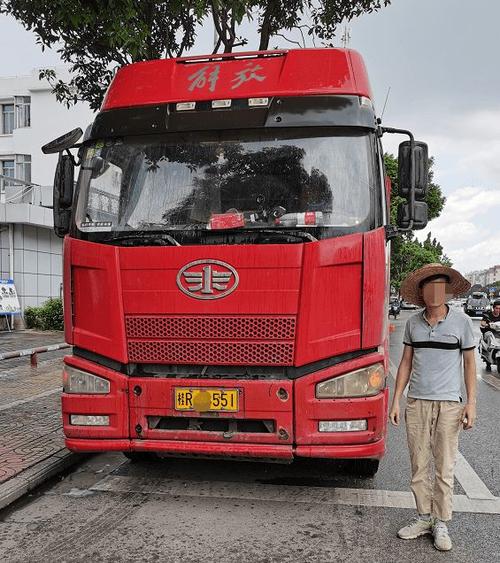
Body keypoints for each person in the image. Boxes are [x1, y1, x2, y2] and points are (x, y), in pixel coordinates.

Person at [389, 263, 476, 552]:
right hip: (417, 402)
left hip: (450, 404)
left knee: (444, 466)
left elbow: (468, 364)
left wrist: (470, 403)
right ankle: (423, 518)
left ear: (447, 291)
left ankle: (441, 522)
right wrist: (397, 399)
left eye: (440, 287)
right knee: (418, 463)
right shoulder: (413, 324)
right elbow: (405, 362)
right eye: (429, 287)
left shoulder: (462, 323)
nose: (434, 293)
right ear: (422, 293)